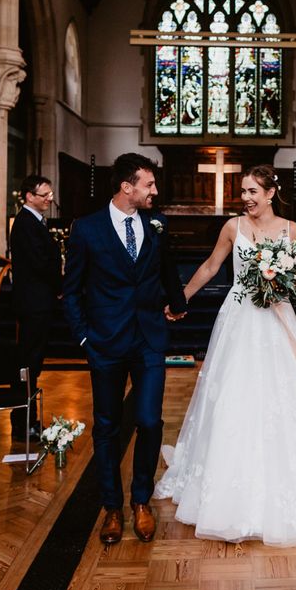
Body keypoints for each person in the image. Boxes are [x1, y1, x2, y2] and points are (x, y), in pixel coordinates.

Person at [154, 165, 296, 545]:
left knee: (281, 397)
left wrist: (283, 284)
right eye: (242, 191)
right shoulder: (233, 227)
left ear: (271, 192)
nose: (245, 198)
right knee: (233, 395)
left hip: (276, 320)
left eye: (252, 191)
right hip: (239, 318)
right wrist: (181, 298)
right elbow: (212, 266)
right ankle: (225, 484)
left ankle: (282, 483)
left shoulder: (292, 229)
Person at [62, 153, 187, 545]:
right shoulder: (86, 229)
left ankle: (141, 501)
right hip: (106, 341)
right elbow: (71, 290)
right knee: (107, 426)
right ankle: (112, 507)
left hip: (149, 338)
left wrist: (178, 302)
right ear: (126, 187)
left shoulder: (158, 224)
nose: (155, 191)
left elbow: (168, 270)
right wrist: (85, 337)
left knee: (150, 421)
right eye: (148, 184)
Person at [9, 174, 62, 441]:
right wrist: (61, 284)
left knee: (33, 363)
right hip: (33, 303)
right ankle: (23, 423)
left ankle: (26, 420)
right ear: (29, 196)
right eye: (45, 195)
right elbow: (42, 263)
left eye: (50, 195)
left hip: (38, 301)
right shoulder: (25, 224)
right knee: (28, 364)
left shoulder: (33, 222)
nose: (49, 200)